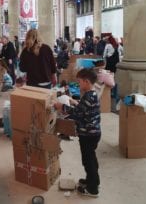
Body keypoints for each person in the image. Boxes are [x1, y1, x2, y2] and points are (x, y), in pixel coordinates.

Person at [54, 68, 101, 197]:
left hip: (88, 134)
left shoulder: (88, 97)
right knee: (91, 159)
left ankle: (92, 189)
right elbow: (84, 109)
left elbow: (77, 114)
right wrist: (76, 102)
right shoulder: (92, 94)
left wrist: (61, 107)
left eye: (79, 82)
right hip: (93, 133)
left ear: (86, 81)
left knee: (88, 161)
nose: (78, 84)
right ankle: (93, 180)